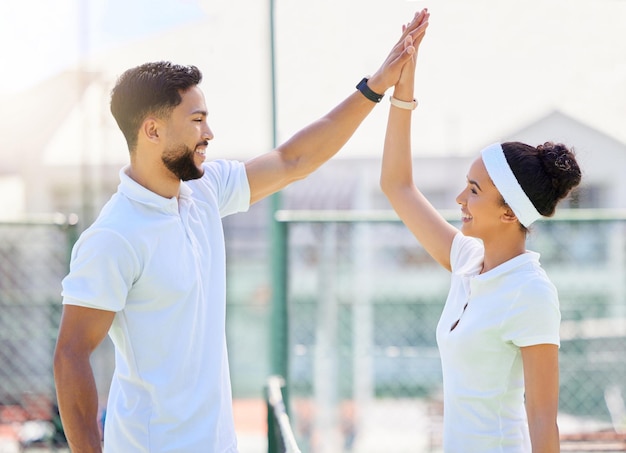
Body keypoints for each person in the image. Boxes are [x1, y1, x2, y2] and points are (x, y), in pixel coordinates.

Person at [52, 10, 430, 453]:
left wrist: (376, 87)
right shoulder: (115, 235)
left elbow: (294, 160)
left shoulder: (205, 189)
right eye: (196, 120)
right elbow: (71, 355)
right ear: (151, 129)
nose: (208, 133)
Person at [379, 22, 582, 453]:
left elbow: (544, 420)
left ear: (510, 211)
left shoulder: (531, 293)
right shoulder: (467, 259)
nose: (460, 199)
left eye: (474, 190)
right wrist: (402, 86)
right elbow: (396, 184)